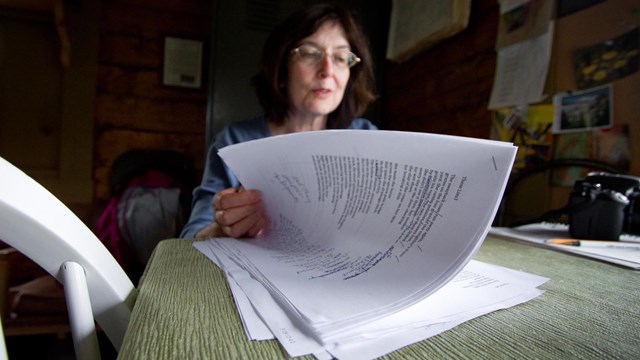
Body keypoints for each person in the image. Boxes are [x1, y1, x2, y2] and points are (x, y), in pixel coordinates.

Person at [180, 3, 378, 240]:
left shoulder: (367, 137)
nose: (327, 70)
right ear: (282, 68)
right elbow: (190, 237)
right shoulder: (234, 140)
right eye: (309, 53)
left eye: (340, 57)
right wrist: (221, 230)